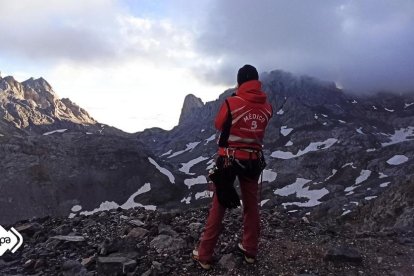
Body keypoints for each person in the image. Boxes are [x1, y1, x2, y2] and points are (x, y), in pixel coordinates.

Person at [192, 64, 273, 270]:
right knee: (251, 205)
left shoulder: (231, 103)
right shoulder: (267, 107)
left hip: (229, 160)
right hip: (254, 160)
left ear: (239, 82)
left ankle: (205, 254)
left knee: (219, 204)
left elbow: (219, 124)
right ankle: (250, 251)